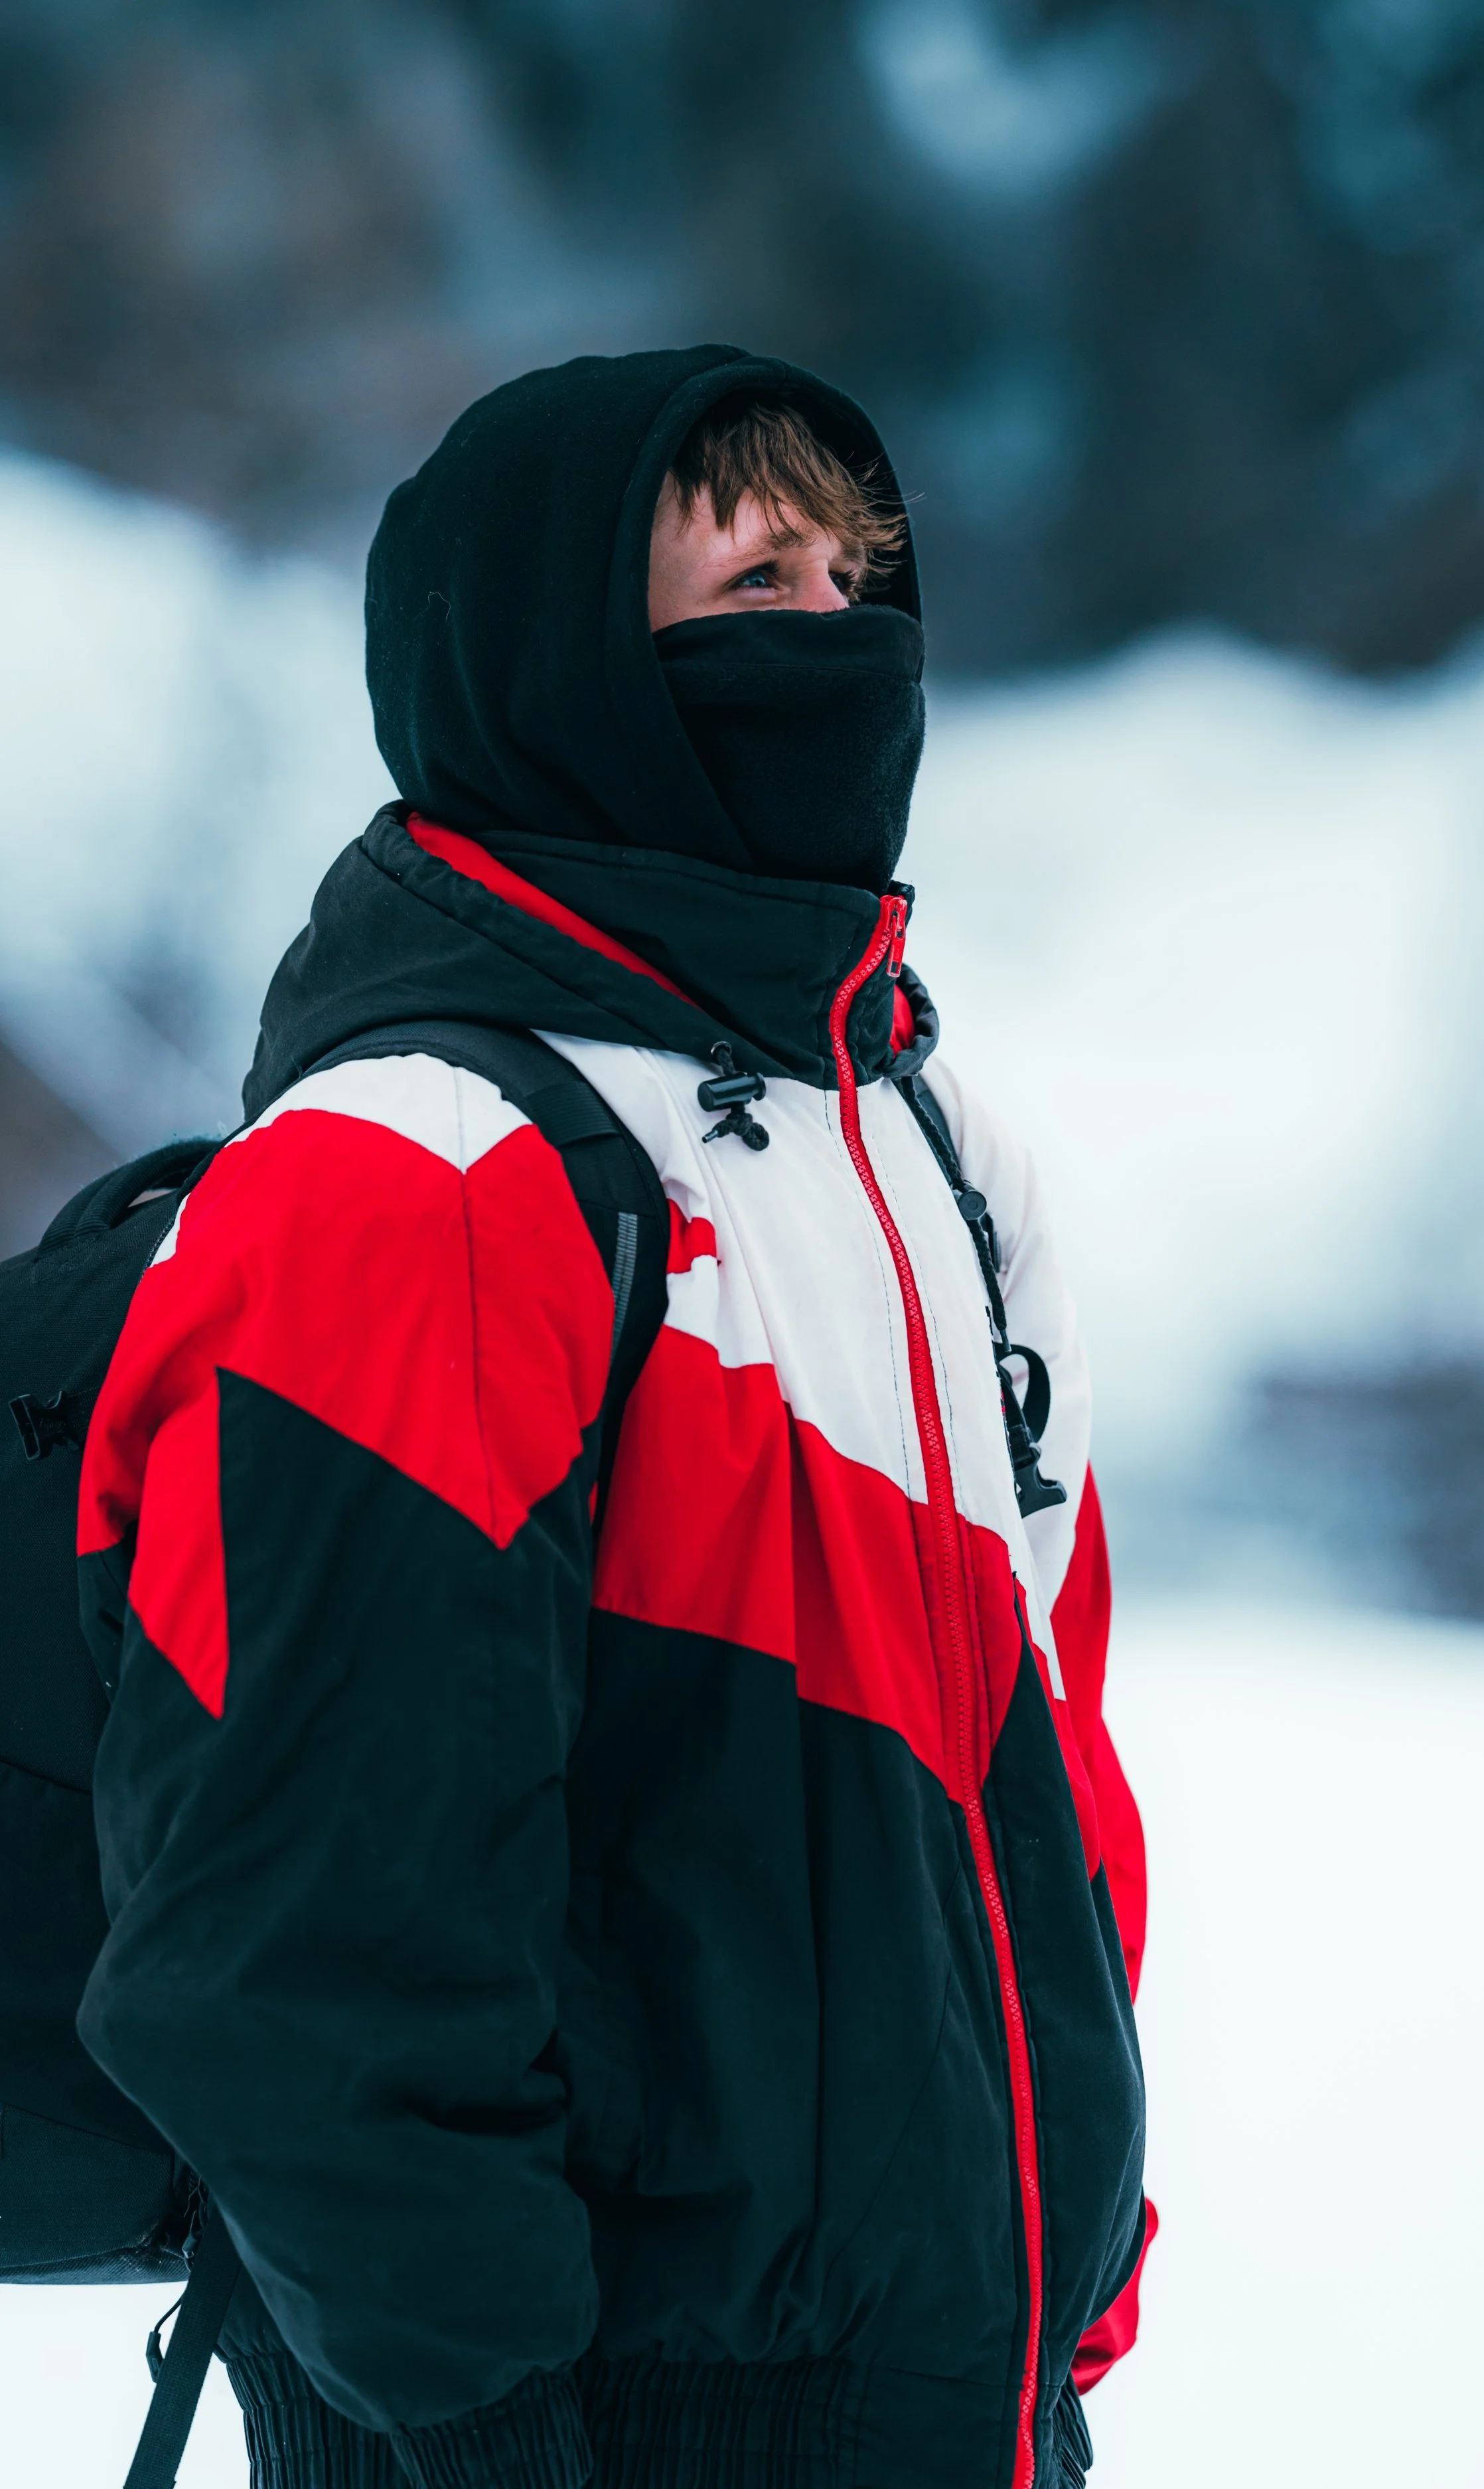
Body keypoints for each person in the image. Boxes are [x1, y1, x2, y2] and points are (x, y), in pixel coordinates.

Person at [75, 346, 1151, 2489]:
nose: (842, 641)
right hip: (577, 2425)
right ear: (550, 654)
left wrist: (1072, 2275)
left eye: (863, 581)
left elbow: (1044, 1757)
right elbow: (289, 1947)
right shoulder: (420, 1171)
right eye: (755, 586)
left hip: (952, 2397)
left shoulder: (919, 1148)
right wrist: (486, 2431)